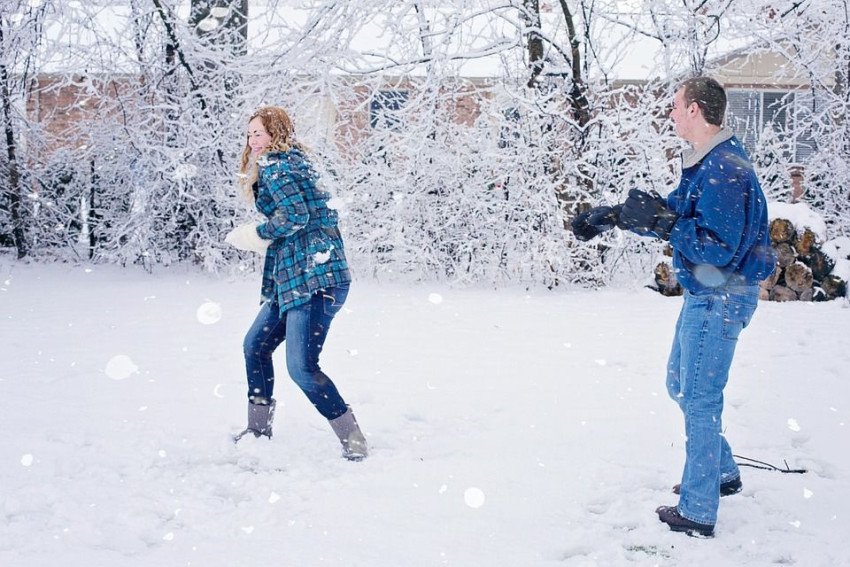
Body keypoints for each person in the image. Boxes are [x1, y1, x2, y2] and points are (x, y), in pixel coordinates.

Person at [571, 77, 776, 537]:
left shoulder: (724, 169)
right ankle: (721, 472)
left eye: (675, 106)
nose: (670, 113)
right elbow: (674, 213)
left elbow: (715, 247)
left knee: (699, 398)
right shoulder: (709, 164)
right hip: (710, 293)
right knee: (680, 383)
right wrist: (612, 216)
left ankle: (699, 510)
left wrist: (666, 226)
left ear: (697, 110)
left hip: (721, 294)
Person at [225, 106, 368, 461]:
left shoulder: (278, 164)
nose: (252, 141)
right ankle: (257, 431)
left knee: (301, 367)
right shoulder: (296, 162)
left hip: (314, 279)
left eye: (258, 133)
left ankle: (353, 439)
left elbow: (296, 216)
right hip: (298, 278)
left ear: (276, 133)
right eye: (249, 134)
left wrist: (256, 234)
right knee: (255, 345)